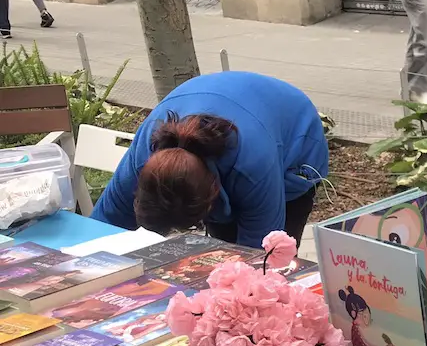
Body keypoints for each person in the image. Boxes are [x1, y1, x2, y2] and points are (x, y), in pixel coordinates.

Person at [91, 72, 329, 249]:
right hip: (234, 106)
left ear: (212, 195)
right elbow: (103, 228)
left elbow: (260, 258)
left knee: (272, 264)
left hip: (295, 134)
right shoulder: (145, 153)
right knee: (222, 253)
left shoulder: (253, 166)